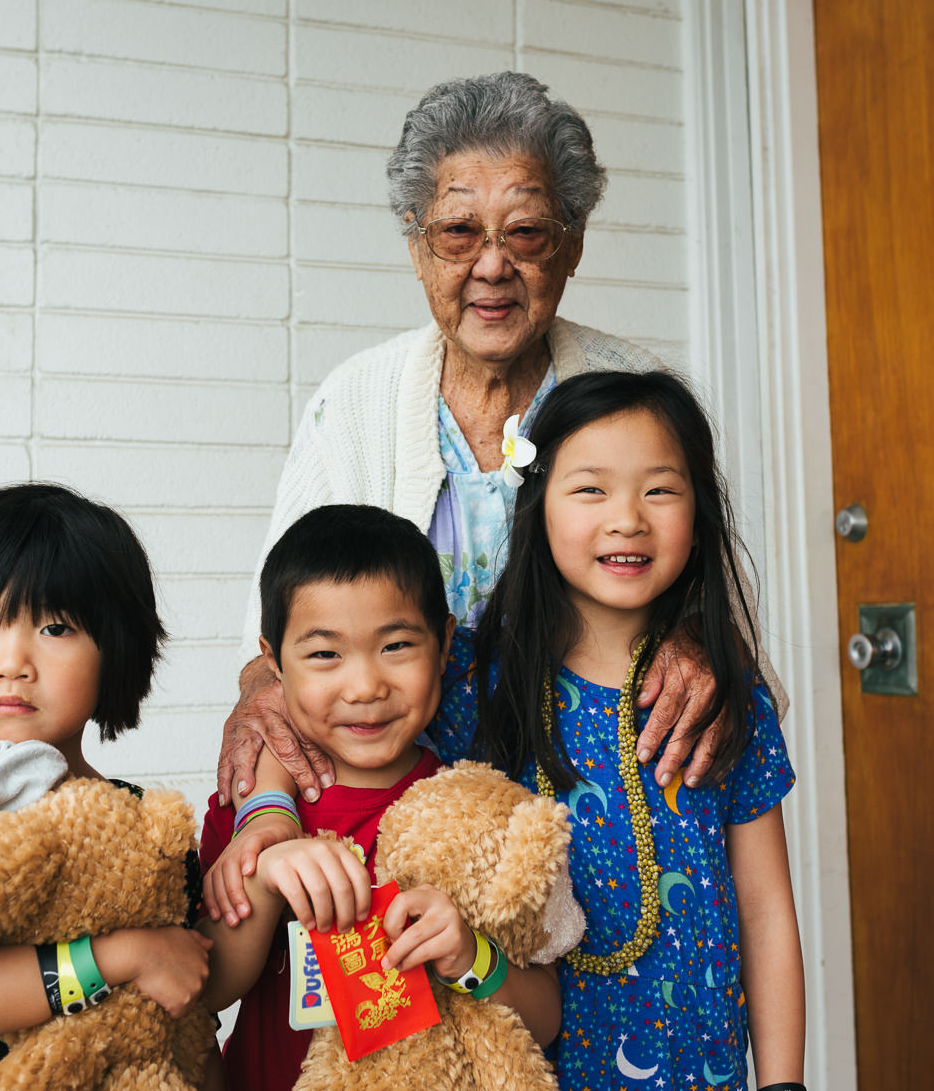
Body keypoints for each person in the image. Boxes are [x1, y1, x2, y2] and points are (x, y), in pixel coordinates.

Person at [217, 71, 785, 814]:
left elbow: (720, 605)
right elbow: (278, 625)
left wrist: (697, 639)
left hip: (603, 803)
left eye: (526, 232)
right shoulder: (355, 402)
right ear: (419, 249)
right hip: (403, 813)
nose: (492, 265)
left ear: (573, 245)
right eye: (458, 233)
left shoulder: (632, 392)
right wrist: (263, 692)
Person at [216, 372, 804, 1091]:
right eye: (591, 489)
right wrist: (268, 817)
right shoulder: (474, 677)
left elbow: (767, 905)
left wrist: (784, 1082)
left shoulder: (719, 693)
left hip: (701, 1066)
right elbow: (321, 710)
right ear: (537, 504)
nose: (627, 519)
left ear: (700, 512)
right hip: (524, 1058)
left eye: (660, 490)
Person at [197, 504, 562, 1091]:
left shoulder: (479, 816)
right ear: (272, 664)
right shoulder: (250, 811)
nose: (365, 686)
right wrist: (265, 873)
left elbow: (544, 1021)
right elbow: (204, 986)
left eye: (396, 646)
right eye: (324, 655)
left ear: (444, 643)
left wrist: (471, 956)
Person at [0, 484, 216, 1091]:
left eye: (55, 627)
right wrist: (118, 957)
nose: (13, 661)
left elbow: (188, 992)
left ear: (116, 650)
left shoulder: (147, 827)